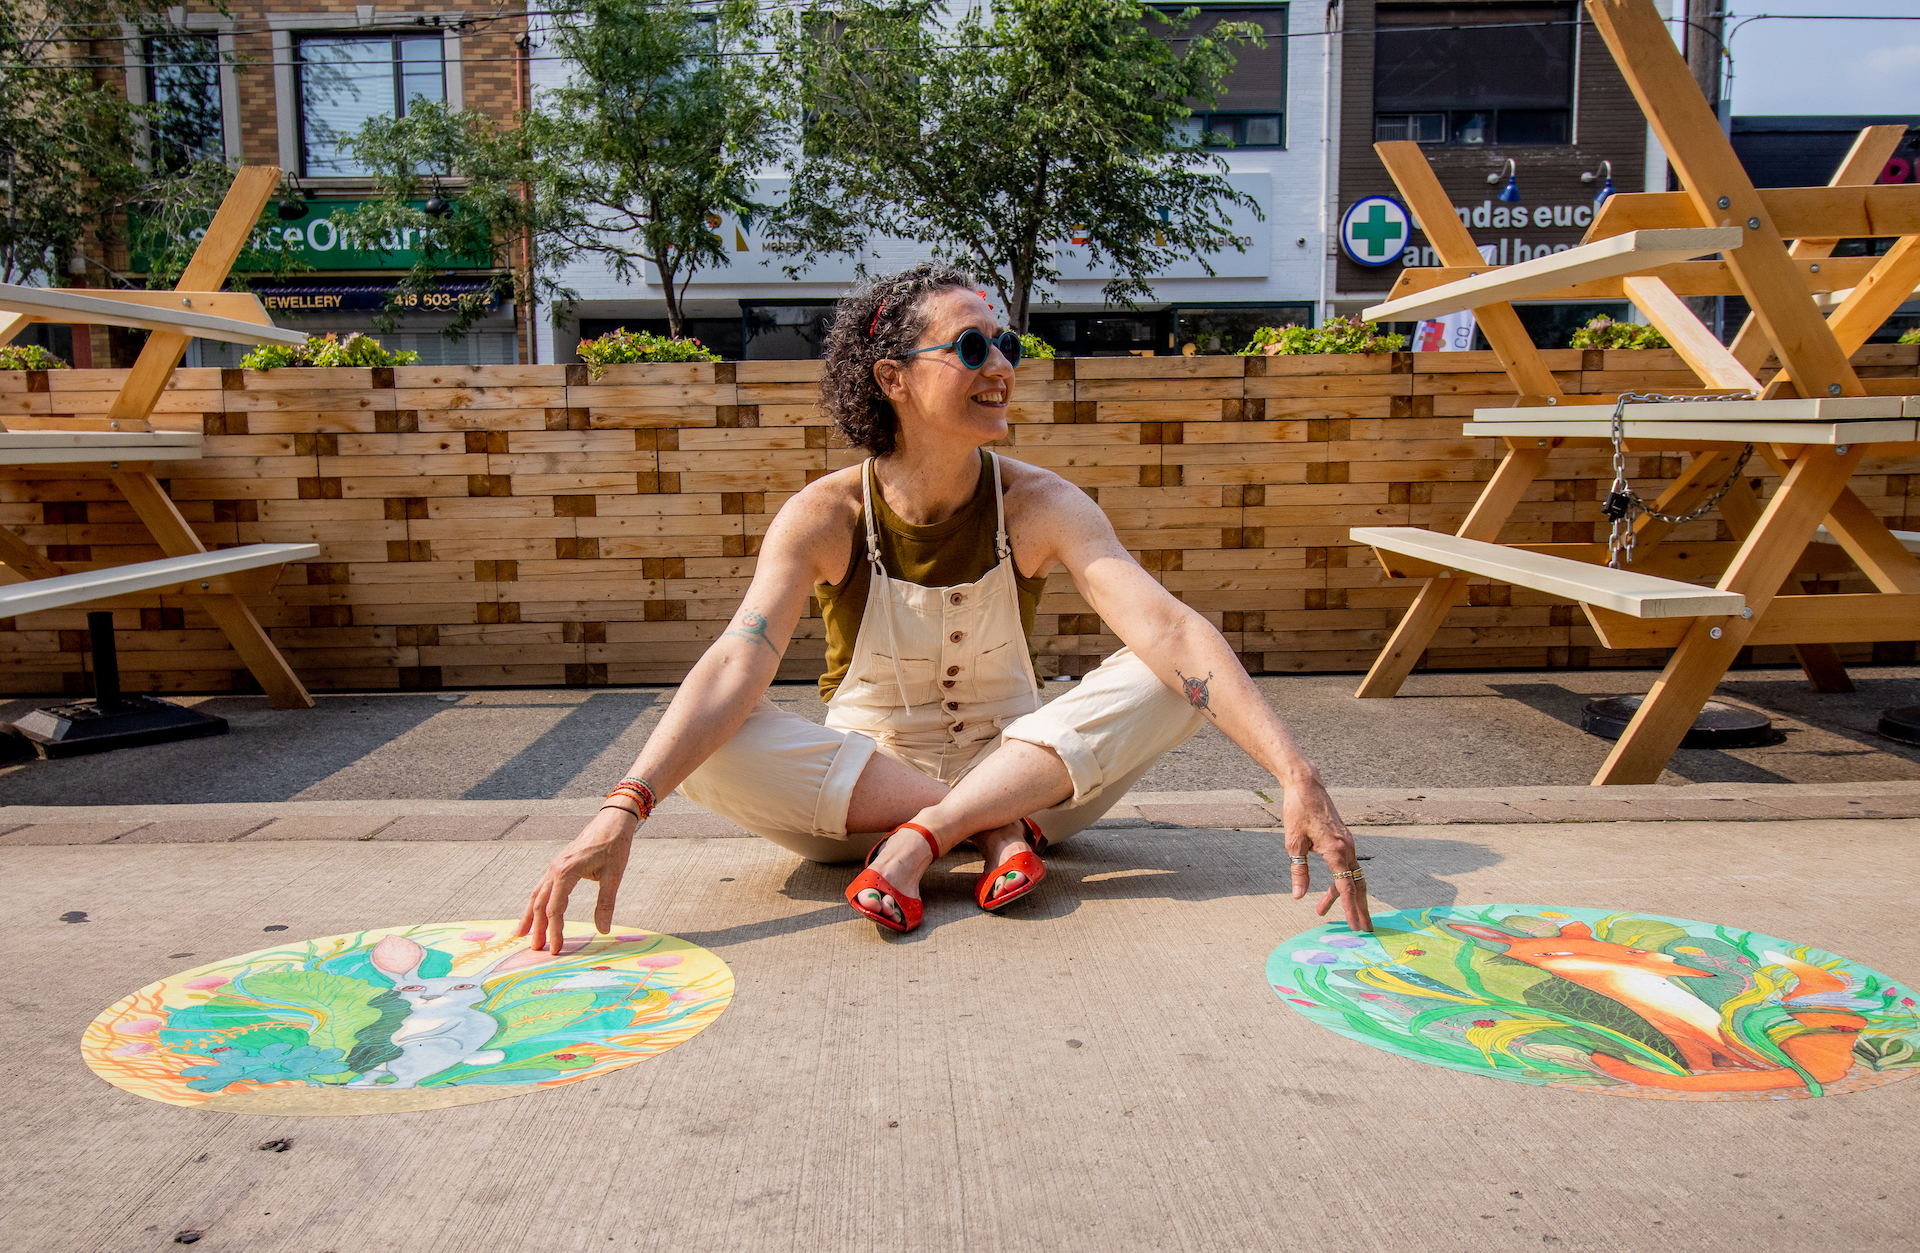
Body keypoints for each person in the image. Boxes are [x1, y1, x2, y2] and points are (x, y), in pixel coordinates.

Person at [517, 262, 1370, 947]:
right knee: (699, 743)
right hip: (860, 806)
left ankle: (933, 836)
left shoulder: (1041, 502)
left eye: (1004, 345)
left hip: (1034, 775)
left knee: (1165, 675)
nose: (1001, 368)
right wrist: (619, 810)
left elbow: (1171, 626)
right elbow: (740, 657)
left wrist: (1296, 774)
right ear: (892, 376)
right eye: (971, 348)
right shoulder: (826, 514)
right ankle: (987, 832)